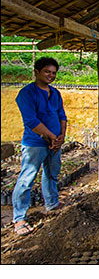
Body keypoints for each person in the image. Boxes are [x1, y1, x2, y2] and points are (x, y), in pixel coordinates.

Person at [12, 57, 67, 236]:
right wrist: (51, 137)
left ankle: (52, 203)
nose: (50, 75)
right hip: (35, 143)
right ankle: (19, 218)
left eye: (53, 73)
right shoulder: (27, 94)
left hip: (55, 142)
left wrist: (61, 137)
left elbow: (62, 115)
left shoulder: (55, 93)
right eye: (47, 72)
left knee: (52, 174)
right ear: (36, 72)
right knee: (27, 179)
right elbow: (31, 121)